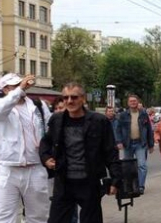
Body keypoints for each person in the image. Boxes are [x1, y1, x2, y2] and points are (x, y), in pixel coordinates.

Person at [40, 82, 120, 223]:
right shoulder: (57, 120)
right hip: (64, 183)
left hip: (89, 183)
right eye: (66, 98)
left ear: (83, 99)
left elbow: (110, 152)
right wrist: (46, 158)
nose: (69, 101)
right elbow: (45, 142)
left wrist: (115, 179)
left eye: (74, 97)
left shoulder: (99, 121)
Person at [0, 73, 50, 223]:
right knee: (2, 218)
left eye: (19, 84)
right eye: (14, 86)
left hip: (35, 169)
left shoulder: (39, 106)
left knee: (38, 217)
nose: (19, 89)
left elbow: (49, 131)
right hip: (8, 171)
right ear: (5, 89)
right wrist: (20, 88)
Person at [115, 94, 154, 194]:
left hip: (140, 144)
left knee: (142, 165)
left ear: (138, 102)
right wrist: (119, 141)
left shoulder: (143, 114)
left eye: (135, 101)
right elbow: (118, 129)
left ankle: (141, 186)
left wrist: (151, 144)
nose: (133, 102)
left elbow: (149, 129)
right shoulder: (123, 115)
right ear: (128, 103)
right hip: (127, 144)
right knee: (128, 166)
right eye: (131, 101)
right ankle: (129, 185)